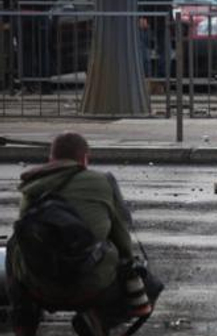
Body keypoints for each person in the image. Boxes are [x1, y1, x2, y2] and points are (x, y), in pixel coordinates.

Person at [6, 132, 154, 336]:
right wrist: (129, 267)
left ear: (51, 158)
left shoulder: (31, 186)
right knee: (123, 261)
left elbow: (26, 234)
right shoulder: (101, 181)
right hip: (91, 288)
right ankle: (100, 318)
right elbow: (122, 240)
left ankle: (24, 321)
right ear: (84, 159)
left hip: (39, 287)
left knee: (15, 243)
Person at [18, 0, 57, 94]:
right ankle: (45, 85)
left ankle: (27, 84)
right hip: (42, 15)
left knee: (26, 50)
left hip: (25, 15)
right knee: (43, 50)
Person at [1, 0, 22, 91]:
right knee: (5, 49)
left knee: (11, 49)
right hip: (5, 15)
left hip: (14, 13)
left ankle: (10, 78)